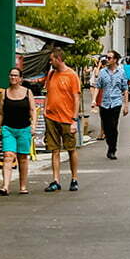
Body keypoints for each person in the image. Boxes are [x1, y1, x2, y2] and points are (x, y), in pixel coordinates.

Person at [43, 47, 82, 192]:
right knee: (54, 150)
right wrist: (46, 111)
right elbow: (48, 93)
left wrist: (74, 119)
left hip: (66, 118)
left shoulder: (71, 75)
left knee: (71, 149)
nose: (50, 62)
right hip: (51, 117)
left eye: (52, 59)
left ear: (58, 59)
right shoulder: (51, 74)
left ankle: (74, 178)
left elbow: (76, 98)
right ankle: (56, 180)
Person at [0, 67, 36, 195]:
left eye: (16, 75)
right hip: (8, 129)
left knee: (23, 157)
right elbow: (1, 113)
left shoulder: (28, 92)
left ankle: (23, 186)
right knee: (8, 156)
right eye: (11, 75)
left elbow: (32, 110)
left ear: (20, 78)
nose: (13, 78)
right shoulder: (4, 93)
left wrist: (33, 125)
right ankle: (5, 186)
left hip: (24, 128)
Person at [92, 50, 129, 160]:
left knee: (113, 126)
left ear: (115, 60)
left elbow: (125, 89)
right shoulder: (103, 72)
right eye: (106, 58)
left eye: (109, 58)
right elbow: (98, 87)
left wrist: (126, 105)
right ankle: (110, 143)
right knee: (107, 128)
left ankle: (112, 149)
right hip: (104, 103)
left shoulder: (121, 72)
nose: (107, 60)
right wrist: (94, 100)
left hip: (116, 103)